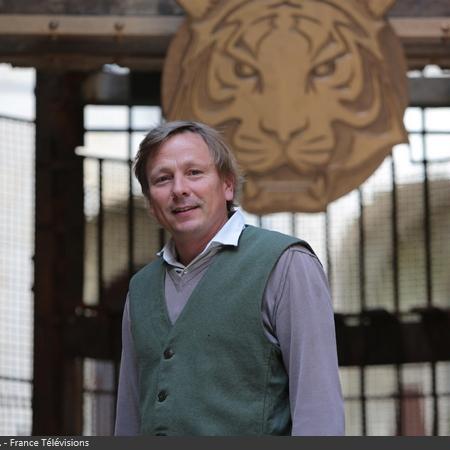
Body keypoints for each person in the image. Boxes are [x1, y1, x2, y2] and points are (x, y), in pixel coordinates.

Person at [114, 120, 345, 436]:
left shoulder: (286, 264)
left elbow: (320, 416)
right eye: (163, 179)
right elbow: (128, 419)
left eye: (194, 173)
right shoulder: (139, 290)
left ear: (227, 185)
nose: (180, 189)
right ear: (151, 205)